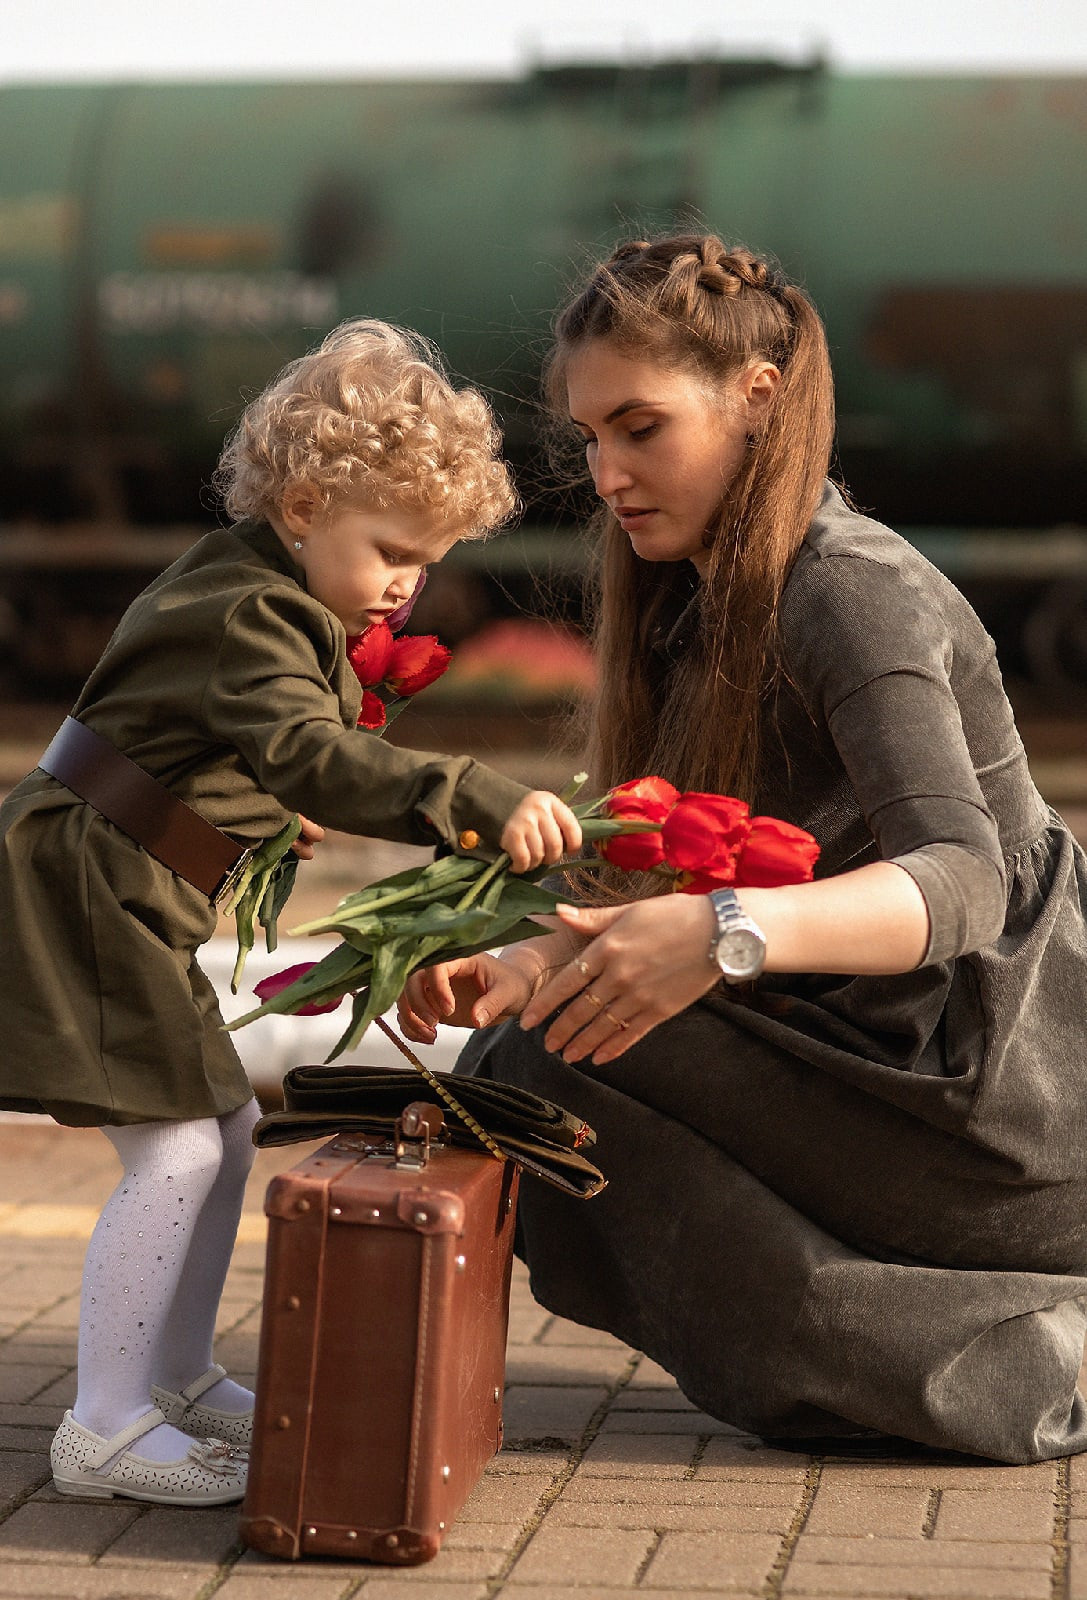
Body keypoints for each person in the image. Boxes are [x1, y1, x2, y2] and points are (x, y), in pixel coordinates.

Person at [397, 234, 1087, 1465]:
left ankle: (1023, 1351)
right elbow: (664, 862)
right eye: (589, 438)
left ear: (755, 400)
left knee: (537, 1074)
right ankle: (956, 1340)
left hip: (1008, 1109)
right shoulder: (691, 598)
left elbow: (965, 883)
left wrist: (725, 937)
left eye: (640, 428)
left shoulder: (851, 589)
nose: (606, 471)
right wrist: (525, 956)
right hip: (877, 1055)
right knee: (523, 1059)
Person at [0, 319, 581, 1504]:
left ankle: (172, 1375)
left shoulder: (253, 587)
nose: (410, 582)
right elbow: (310, 752)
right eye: (393, 549)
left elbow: (211, 741)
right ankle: (104, 1425)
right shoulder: (257, 612)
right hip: (87, 884)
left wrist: (256, 812)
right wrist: (469, 794)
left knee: (214, 1134)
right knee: (171, 1148)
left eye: (428, 557)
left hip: (118, 867)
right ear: (308, 500)